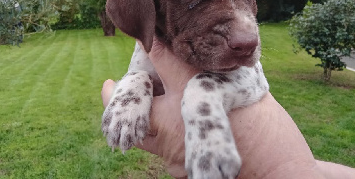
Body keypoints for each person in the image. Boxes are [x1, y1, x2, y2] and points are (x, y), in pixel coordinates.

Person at [101, 39, 355, 179]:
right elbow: (139, 73)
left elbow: (254, 80)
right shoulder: (151, 42)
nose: (247, 33)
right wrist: (136, 83)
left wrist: (277, 168)